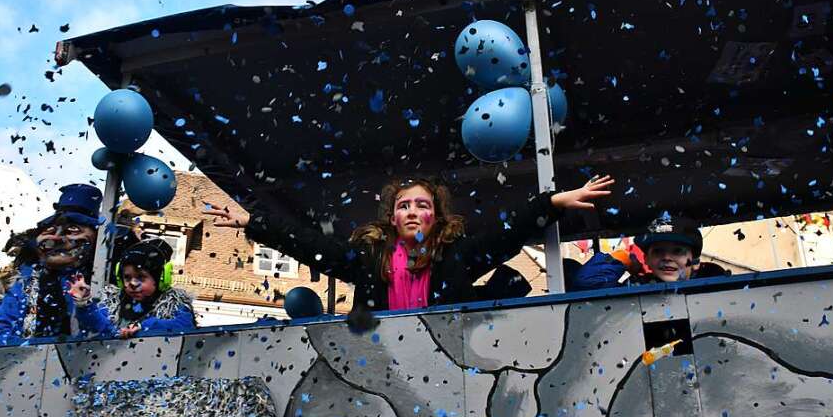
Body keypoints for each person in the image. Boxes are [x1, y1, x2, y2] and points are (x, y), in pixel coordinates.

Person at [205, 175, 613, 312]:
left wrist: (554, 203)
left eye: (423, 204)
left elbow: (506, 234)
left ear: (436, 214)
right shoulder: (367, 257)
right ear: (393, 216)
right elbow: (312, 245)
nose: (413, 211)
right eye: (404, 205)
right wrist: (252, 223)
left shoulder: (458, 254)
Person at [0, 184, 103, 344]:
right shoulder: (28, 280)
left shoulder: (101, 279)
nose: (56, 238)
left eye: (72, 230)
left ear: (95, 239)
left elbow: (102, 337)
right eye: (52, 230)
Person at [67, 238, 196, 339]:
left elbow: (184, 326)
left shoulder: (175, 303)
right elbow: (99, 327)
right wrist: (84, 304)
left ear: (161, 278)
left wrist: (144, 327)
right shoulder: (112, 302)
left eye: (141, 277)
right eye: (127, 277)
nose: (133, 283)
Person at [570, 215, 728, 289]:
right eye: (658, 251)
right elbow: (586, 282)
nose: (667, 257)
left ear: (695, 261)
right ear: (646, 259)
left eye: (678, 251)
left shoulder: (715, 283)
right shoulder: (637, 287)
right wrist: (623, 258)